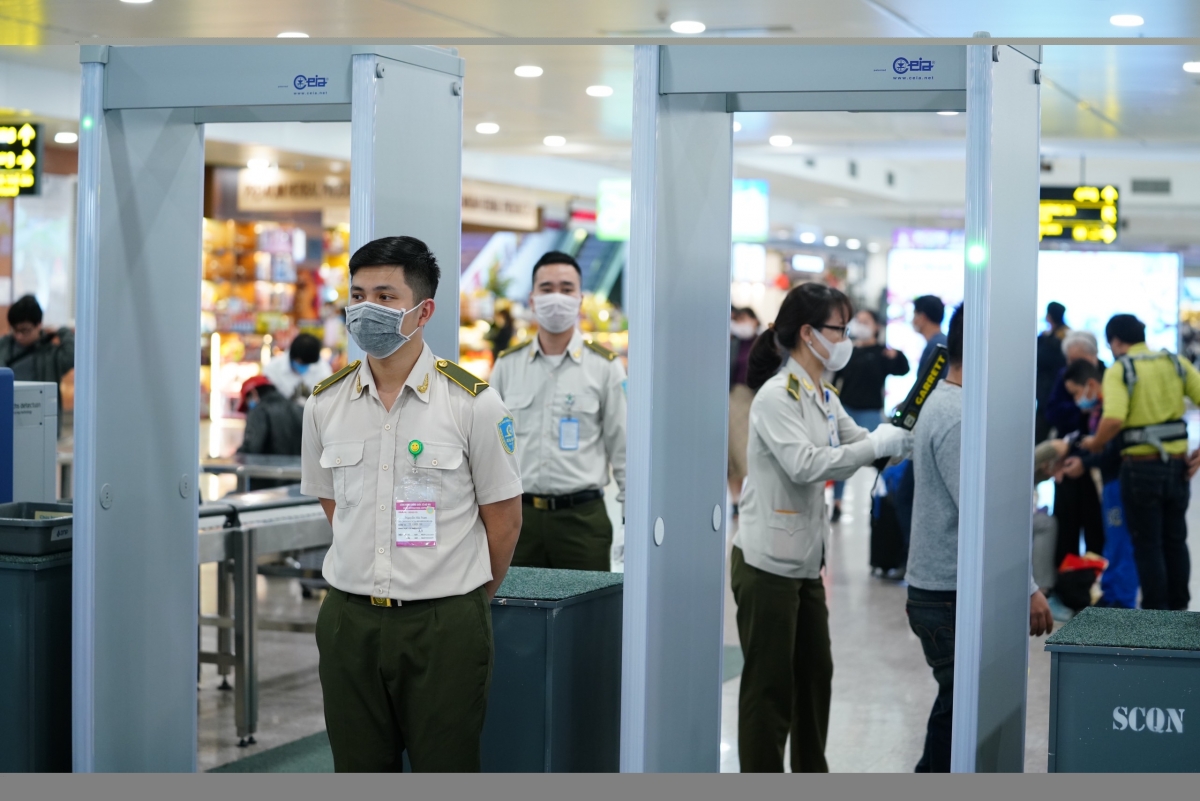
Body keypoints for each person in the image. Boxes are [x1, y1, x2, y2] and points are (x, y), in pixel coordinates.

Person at [301, 235, 523, 772]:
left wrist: (462, 601)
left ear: (423, 311)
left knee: (445, 767)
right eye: (357, 296)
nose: (366, 310)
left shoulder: (473, 403)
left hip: (444, 625)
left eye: (385, 296)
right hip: (349, 622)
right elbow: (334, 506)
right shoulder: (325, 403)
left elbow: (505, 521)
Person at [731, 282, 913, 773]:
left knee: (816, 676)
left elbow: (860, 443)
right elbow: (806, 464)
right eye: (840, 329)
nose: (846, 339)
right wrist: (874, 446)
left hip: (806, 560)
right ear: (809, 334)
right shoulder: (777, 397)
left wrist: (898, 439)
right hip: (766, 563)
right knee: (769, 688)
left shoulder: (824, 395)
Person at [906, 303, 1054, 773]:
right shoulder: (956, 416)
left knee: (957, 708)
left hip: (946, 590)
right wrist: (1028, 587)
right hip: (947, 594)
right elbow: (980, 514)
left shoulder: (955, 405)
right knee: (960, 713)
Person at [488, 251, 626, 572]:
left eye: (566, 289)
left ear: (580, 299)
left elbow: (624, 450)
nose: (557, 298)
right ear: (532, 299)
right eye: (547, 288)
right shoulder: (508, 366)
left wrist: (630, 518)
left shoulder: (605, 368)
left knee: (586, 605)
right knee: (515, 603)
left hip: (583, 521)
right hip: (517, 518)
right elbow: (488, 448)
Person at [1081, 314, 1200, 611]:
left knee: (1148, 545)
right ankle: (1181, 616)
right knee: (1175, 541)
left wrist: (1094, 444)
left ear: (1115, 341)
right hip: (1178, 468)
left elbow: (1114, 419)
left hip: (1140, 469)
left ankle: (1156, 618)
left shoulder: (1121, 369)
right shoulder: (1175, 363)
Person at [1057, 359, 1138, 609]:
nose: (1077, 401)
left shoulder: (1111, 409)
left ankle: (1122, 601)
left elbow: (1112, 450)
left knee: (1122, 543)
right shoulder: (1097, 410)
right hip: (1110, 481)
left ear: (1091, 384)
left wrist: (1085, 462)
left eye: (1076, 393)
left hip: (1118, 480)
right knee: (1112, 542)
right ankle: (1111, 593)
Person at [830, 308, 910, 522]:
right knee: (841, 458)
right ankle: (837, 502)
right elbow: (835, 378)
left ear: (876, 326)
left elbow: (903, 369)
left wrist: (897, 355)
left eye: (866, 321)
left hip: (871, 412)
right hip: (846, 410)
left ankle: (884, 500)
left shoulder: (883, 353)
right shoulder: (849, 350)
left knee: (881, 457)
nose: (861, 324)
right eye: (858, 320)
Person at [1041, 331, 1106, 580]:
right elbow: (1052, 412)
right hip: (1066, 458)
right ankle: (1067, 583)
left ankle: (1095, 581)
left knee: (1097, 526)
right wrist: (1080, 410)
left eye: (1076, 359)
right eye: (1068, 359)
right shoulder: (1065, 377)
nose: (1071, 364)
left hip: (1096, 463)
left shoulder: (1108, 377)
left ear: (1093, 355)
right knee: (1065, 526)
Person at [236, 376, 304, 489]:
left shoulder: (259, 411)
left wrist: (233, 457)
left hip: (265, 485)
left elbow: (251, 449)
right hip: (297, 485)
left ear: (253, 393)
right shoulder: (299, 409)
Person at [729, 307, 760, 516]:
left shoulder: (764, 344)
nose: (741, 324)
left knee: (748, 450)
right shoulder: (734, 343)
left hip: (754, 398)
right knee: (733, 450)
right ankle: (735, 500)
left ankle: (751, 497)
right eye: (738, 319)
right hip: (734, 398)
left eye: (744, 319)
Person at [1035, 302, 1070, 443]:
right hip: (1051, 392)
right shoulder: (1062, 336)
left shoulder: (1054, 339)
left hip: (1051, 392)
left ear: (1049, 316)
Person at [265, 332, 333, 405]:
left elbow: (328, 397)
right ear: (292, 356)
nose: (305, 366)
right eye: (302, 363)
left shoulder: (322, 368)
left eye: (308, 364)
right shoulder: (272, 369)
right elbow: (267, 401)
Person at [911, 295, 947, 374]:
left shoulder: (936, 347)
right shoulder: (942, 342)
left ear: (922, 318)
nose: (912, 321)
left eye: (914, 315)